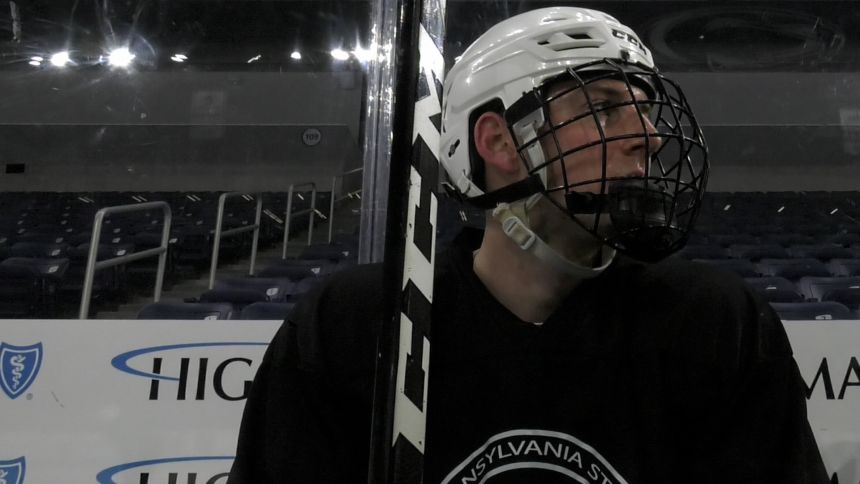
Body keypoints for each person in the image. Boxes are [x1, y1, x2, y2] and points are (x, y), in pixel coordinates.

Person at [228, 7, 829, 483]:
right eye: (605, 108)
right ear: (499, 141)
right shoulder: (362, 324)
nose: (647, 136)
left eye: (644, 111)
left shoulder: (718, 324)